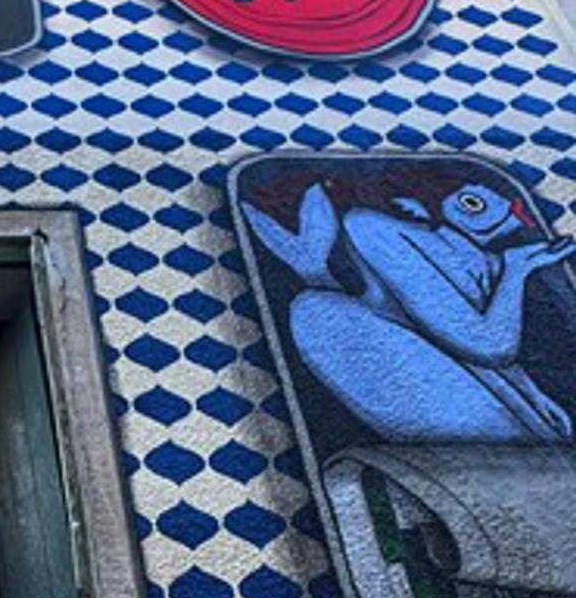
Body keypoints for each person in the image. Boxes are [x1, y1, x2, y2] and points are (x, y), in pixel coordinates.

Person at [241, 178, 576, 443]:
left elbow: (465, 334)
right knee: (314, 311)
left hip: (496, 416)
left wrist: (531, 395)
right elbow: (489, 344)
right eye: (472, 203)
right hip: (469, 430)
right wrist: (516, 271)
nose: (506, 212)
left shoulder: (469, 254)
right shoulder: (378, 230)